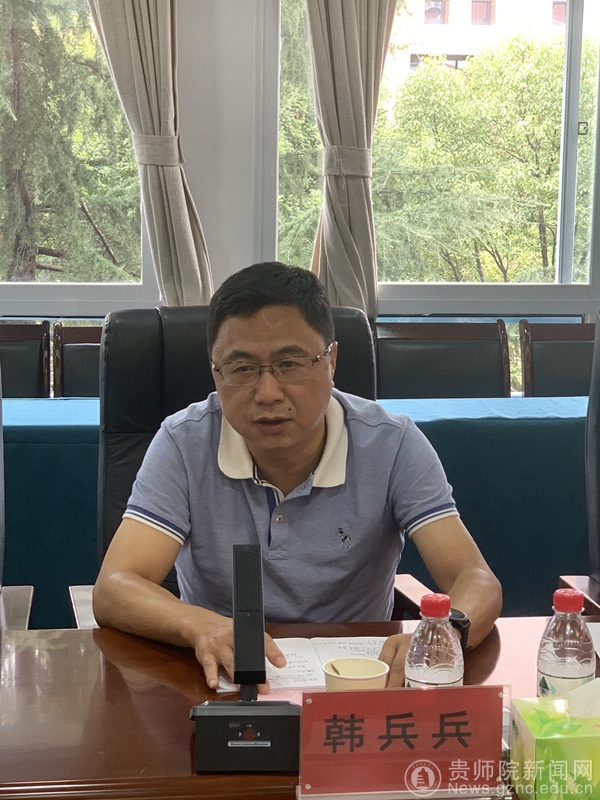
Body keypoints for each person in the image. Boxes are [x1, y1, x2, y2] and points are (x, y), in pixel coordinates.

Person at [93, 262, 502, 689]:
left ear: (331, 361)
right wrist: (200, 626)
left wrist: (444, 634)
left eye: (289, 364)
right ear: (215, 372)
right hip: (224, 680)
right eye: (241, 368)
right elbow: (116, 585)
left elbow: (474, 578)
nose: (267, 393)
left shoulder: (392, 443)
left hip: (358, 682)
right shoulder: (183, 442)